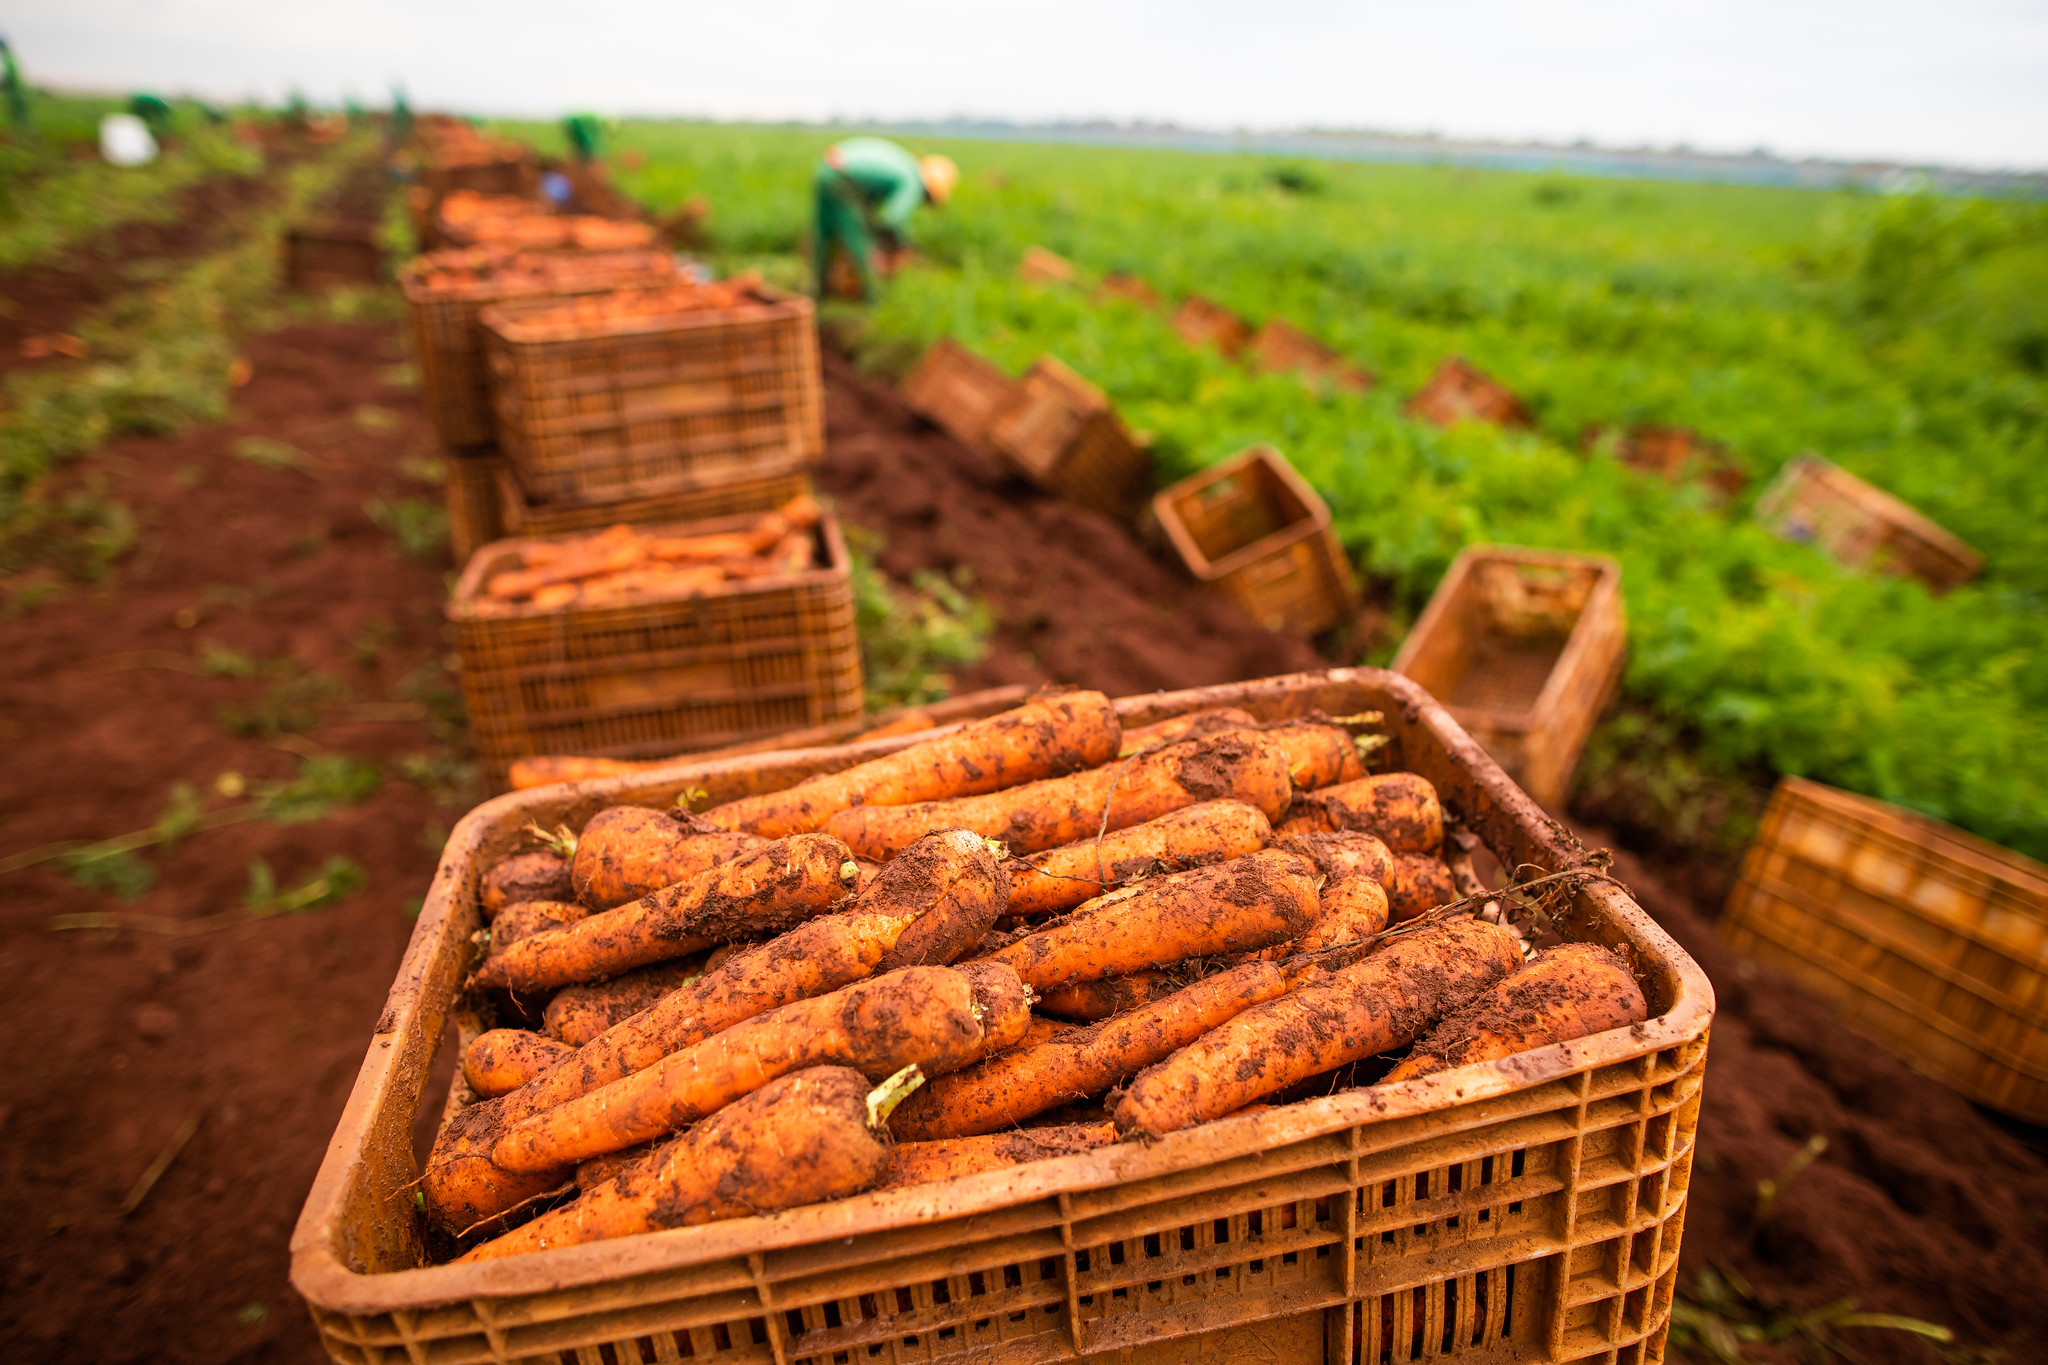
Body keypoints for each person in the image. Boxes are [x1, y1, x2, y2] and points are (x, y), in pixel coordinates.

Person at [813, 137, 957, 299]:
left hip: (827, 170)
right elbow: (893, 219)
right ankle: (873, 299)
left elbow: (869, 206)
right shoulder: (912, 182)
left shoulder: (905, 164)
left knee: (823, 233)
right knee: (861, 243)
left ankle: (818, 290)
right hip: (843, 179)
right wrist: (905, 244)